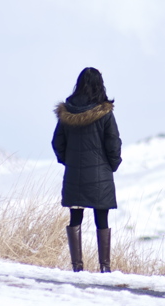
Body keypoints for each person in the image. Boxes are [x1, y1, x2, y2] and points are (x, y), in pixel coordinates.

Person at [52, 67, 122, 272]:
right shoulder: (105, 114)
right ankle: (105, 268)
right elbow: (113, 143)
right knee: (102, 217)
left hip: (74, 173)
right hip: (101, 174)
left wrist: (69, 161)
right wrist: (113, 164)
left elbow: (57, 142)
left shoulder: (67, 112)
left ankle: (77, 267)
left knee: (75, 217)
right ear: (100, 84)